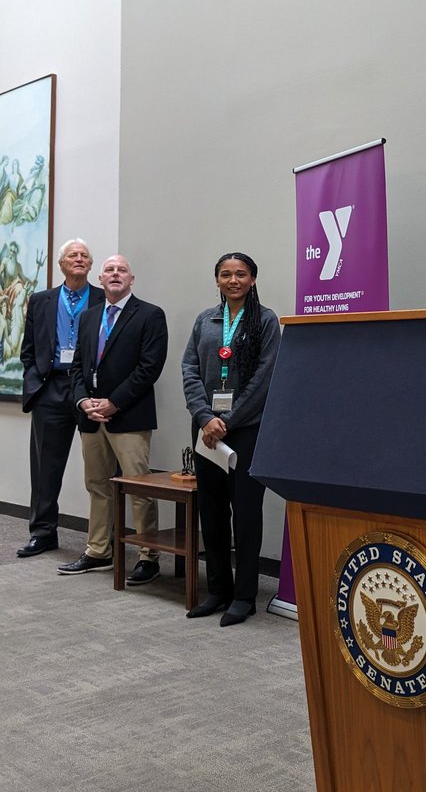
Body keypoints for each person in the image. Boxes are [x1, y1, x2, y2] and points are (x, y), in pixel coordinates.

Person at [181, 252, 280, 626]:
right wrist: (205, 417)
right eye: (226, 274)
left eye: (241, 274)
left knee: (247, 514)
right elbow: (189, 369)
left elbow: (264, 378)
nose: (233, 280)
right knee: (213, 511)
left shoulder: (266, 321)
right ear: (217, 281)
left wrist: (228, 419)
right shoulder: (205, 320)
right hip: (206, 431)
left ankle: (244, 596)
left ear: (253, 279)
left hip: (247, 429)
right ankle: (218, 589)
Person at [58, 255, 168, 581]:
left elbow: (149, 368)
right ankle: (98, 551)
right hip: (91, 417)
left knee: (139, 487)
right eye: (109, 270)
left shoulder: (150, 315)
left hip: (129, 416)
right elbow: (77, 366)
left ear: (131, 279)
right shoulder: (91, 316)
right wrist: (82, 402)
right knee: (97, 485)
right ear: (101, 278)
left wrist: (114, 403)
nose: (115, 274)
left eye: (122, 270)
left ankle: (149, 556)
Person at [17, 239, 104, 558]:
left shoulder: (102, 297)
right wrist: (33, 379)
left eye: (84, 256)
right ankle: (42, 533)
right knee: (45, 467)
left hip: (90, 390)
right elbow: (29, 349)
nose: (79, 259)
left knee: (99, 466)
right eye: (73, 255)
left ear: (91, 265)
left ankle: (101, 541)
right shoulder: (40, 300)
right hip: (50, 387)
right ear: (61, 264)